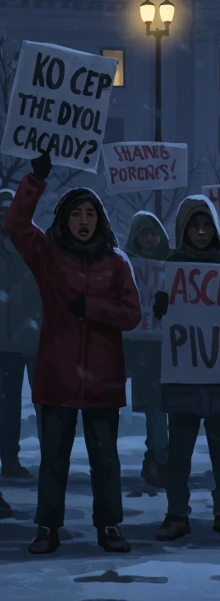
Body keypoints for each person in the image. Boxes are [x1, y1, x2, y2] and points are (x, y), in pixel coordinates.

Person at [5, 153, 141, 555]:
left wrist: (94, 308)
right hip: (58, 374)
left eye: (90, 214)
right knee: (54, 461)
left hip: (103, 378)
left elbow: (132, 314)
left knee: (105, 460)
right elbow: (15, 224)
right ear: (64, 219)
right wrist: (35, 178)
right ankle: (47, 526)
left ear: (100, 220)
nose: (84, 221)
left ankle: (110, 525)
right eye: (76, 214)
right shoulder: (48, 255)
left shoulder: (118, 263)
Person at [152, 195, 220, 543]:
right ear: (183, 229)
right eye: (194, 225)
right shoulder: (172, 266)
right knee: (178, 452)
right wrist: (161, 308)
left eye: (206, 224)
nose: (200, 231)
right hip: (184, 376)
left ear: (215, 228)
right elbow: (159, 325)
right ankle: (176, 513)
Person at [122, 210, 170, 488]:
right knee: (155, 407)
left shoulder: (173, 265)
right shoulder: (126, 264)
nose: (150, 238)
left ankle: (159, 456)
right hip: (140, 345)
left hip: (168, 345)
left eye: (153, 233)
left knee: (164, 407)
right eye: (144, 233)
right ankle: (158, 458)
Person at [0, 187, 41, 496]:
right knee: (8, 404)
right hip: (6, 339)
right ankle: (10, 458)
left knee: (45, 402)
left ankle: (52, 456)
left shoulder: (36, 245)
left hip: (37, 336)